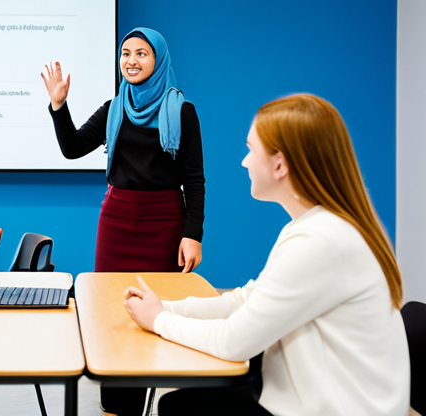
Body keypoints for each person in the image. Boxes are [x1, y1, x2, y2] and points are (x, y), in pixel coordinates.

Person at [123, 93, 410, 416]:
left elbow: (234, 342)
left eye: (250, 150)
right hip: (317, 398)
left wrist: (160, 321)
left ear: (279, 164)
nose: (244, 161)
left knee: (179, 406)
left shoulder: (320, 242)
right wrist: (166, 309)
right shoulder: (315, 227)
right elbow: (245, 301)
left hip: (336, 409)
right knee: (181, 403)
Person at [42, 28, 206, 415]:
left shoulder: (182, 110)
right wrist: (58, 105)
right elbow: (72, 149)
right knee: (111, 310)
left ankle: (146, 392)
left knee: (154, 309)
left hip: (165, 221)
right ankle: (114, 404)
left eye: (142, 54)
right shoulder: (115, 107)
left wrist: (192, 234)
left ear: (158, 60)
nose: (131, 61)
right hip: (116, 220)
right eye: (126, 53)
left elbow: (194, 179)